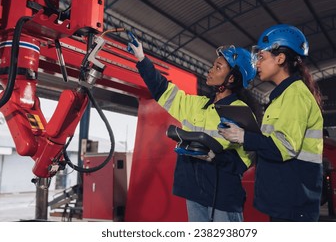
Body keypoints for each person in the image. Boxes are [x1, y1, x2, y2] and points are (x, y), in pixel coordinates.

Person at [128, 38, 261, 222]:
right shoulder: (197, 104)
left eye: (218, 67)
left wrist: (217, 158)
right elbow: (163, 90)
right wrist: (142, 59)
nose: (211, 70)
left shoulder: (240, 112)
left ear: (231, 78)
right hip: (194, 191)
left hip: (222, 195)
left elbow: (248, 157)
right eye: (213, 65)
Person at [218, 24, 324, 222]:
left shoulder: (294, 95)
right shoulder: (282, 96)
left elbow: (282, 147)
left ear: (280, 58)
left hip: (294, 201)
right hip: (285, 197)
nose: (257, 64)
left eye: (261, 57)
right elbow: (271, 141)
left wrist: (244, 137)